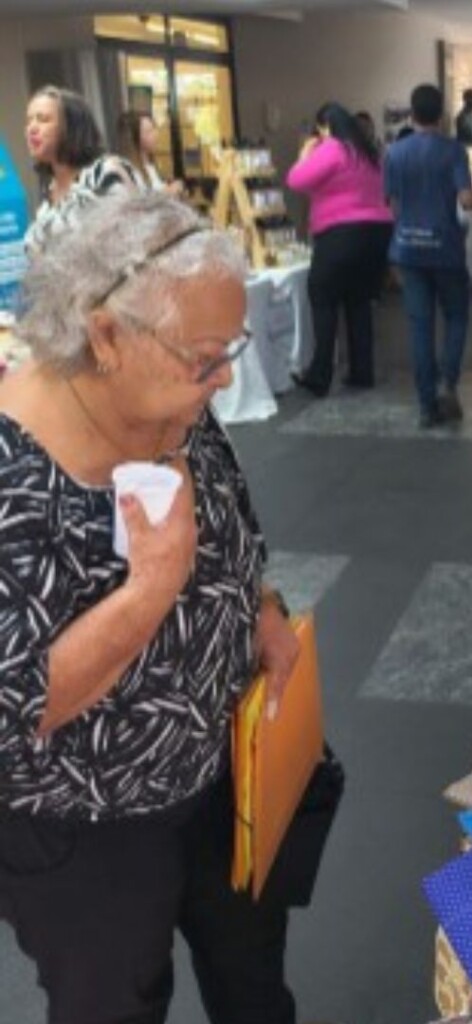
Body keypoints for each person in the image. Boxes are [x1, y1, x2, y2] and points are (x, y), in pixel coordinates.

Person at [0, 191, 302, 1024]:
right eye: (206, 356)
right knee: (117, 1001)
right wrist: (150, 592)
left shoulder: (173, 403)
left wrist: (261, 604)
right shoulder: (13, 472)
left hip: (220, 763)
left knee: (251, 974)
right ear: (105, 335)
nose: (225, 375)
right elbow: (17, 700)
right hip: (86, 824)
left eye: (230, 348)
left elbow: (235, 522)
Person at [385, 84, 472, 429]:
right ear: (440, 114)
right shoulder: (453, 151)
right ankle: (447, 383)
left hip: (408, 249)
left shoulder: (395, 153)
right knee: (456, 316)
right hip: (445, 249)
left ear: (412, 113)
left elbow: (393, 205)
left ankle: (426, 405)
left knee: (419, 327)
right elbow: (467, 199)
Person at [287, 103, 392, 395]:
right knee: (358, 302)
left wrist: (305, 154)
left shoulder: (333, 148)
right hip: (377, 233)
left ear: (325, 126)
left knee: (323, 296)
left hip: (342, 233)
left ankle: (320, 375)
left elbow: (296, 180)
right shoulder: (369, 152)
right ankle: (362, 371)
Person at [24, 85, 140, 256]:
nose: (32, 128)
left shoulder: (106, 172)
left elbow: (128, 241)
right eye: (29, 120)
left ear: (71, 128)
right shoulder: (48, 190)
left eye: (43, 119)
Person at [114, 110, 186, 196]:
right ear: (134, 138)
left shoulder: (150, 165)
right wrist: (168, 192)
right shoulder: (128, 171)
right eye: (149, 131)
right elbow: (139, 201)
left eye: (154, 129)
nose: (156, 134)